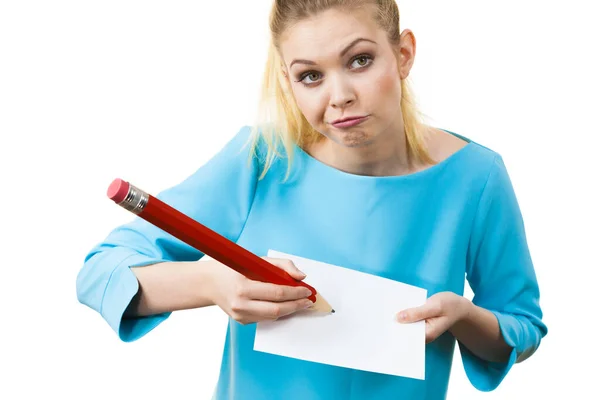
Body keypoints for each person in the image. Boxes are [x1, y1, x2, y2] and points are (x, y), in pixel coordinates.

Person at [76, 0, 547, 398]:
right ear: (287, 80)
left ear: (403, 54)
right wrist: (209, 283)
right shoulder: (261, 161)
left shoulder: (475, 177)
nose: (339, 96)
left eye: (360, 60)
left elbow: (520, 328)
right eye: (310, 76)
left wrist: (464, 318)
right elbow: (100, 272)